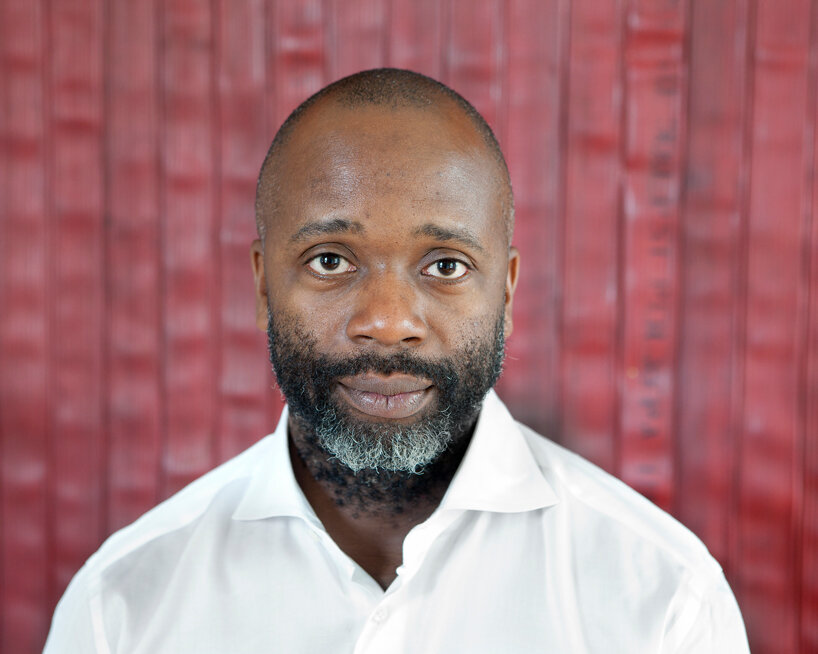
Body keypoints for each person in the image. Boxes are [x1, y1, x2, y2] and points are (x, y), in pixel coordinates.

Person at [43, 68, 749, 653]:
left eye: (444, 264)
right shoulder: (123, 608)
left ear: (505, 290)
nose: (386, 322)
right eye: (330, 260)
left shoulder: (661, 600)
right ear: (263, 285)